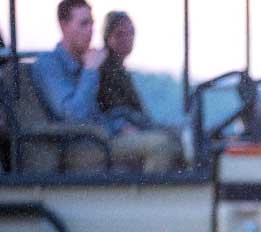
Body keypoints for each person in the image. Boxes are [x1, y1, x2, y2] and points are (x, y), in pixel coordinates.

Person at [31, 0, 178, 173]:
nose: (90, 31)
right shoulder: (50, 64)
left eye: (92, 24)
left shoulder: (83, 62)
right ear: (64, 26)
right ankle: (147, 200)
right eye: (83, 24)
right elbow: (73, 115)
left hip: (100, 139)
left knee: (174, 139)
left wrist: (120, 126)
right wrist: (90, 70)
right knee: (160, 146)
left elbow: (98, 115)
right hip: (78, 147)